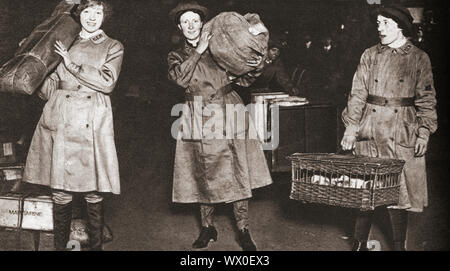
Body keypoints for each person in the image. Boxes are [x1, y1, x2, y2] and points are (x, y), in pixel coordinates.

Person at [167, 1, 272, 251]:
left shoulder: (220, 47)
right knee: (204, 170)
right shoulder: (176, 55)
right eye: (185, 22)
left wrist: (256, 61)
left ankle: (244, 230)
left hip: (229, 108)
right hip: (197, 112)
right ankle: (207, 227)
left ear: (202, 23)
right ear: (180, 28)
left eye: (195, 20)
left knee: (238, 168)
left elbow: (246, 78)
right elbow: (181, 78)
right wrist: (198, 50)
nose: (191, 25)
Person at [23, 0, 124, 251]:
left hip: (93, 117)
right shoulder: (63, 42)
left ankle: (96, 247)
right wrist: (35, 67)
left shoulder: (113, 46)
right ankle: (60, 247)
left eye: (98, 12)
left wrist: (72, 64)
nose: (92, 17)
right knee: (60, 191)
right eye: (87, 11)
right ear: (79, 14)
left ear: (105, 15)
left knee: (93, 190)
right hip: (60, 115)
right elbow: (47, 91)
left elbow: (107, 82)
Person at [341, 4, 437, 251]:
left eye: (386, 23)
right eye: (378, 23)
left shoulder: (418, 58)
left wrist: (424, 131)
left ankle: (398, 246)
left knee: (398, 194)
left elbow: (426, 99)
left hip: (401, 129)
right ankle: (359, 245)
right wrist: (351, 128)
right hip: (370, 128)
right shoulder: (370, 55)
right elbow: (357, 94)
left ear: (400, 27)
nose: (380, 28)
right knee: (366, 191)